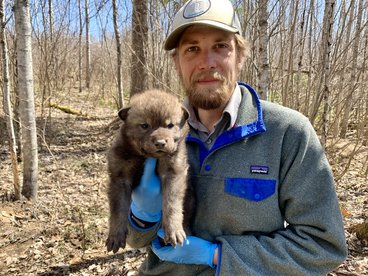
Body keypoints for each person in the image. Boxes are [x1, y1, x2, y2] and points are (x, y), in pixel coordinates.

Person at [125, 0, 348, 275]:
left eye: (220, 46)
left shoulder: (287, 133)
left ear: (240, 56)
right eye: (192, 49)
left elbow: (324, 246)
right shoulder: (150, 133)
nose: (207, 62)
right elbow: (134, 240)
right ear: (177, 62)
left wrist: (219, 256)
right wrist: (142, 216)